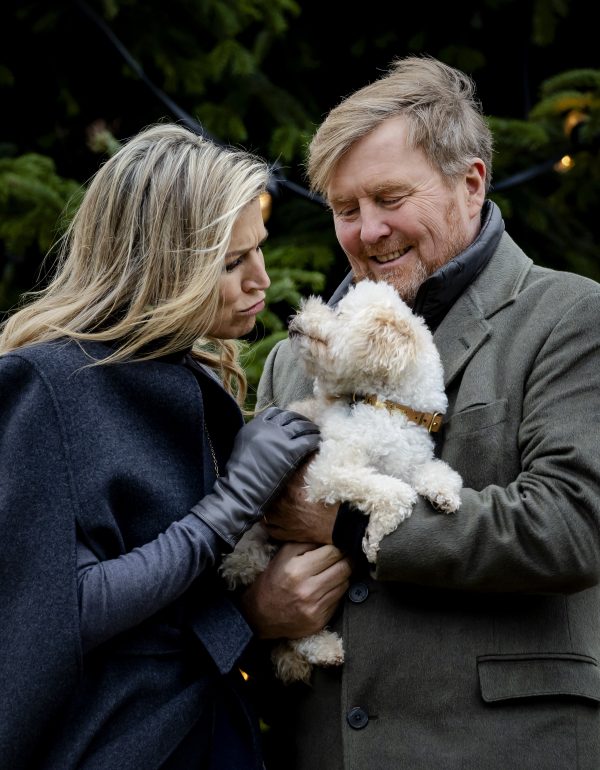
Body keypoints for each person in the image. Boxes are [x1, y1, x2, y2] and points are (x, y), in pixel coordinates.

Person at [248, 55, 600, 769]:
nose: (367, 232)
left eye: (389, 198)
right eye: (346, 210)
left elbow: (570, 526)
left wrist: (348, 523)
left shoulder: (570, 316)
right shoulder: (295, 359)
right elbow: (244, 532)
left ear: (470, 184)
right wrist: (259, 609)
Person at [0, 122, 352, 770]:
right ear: (161, 264)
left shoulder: (195, 381)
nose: (262, 280)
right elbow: (60, 610)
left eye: (260, 250)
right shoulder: (46, 384)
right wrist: (231, 503)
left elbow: (183, 611)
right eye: (231, 263)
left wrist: (255, 611)